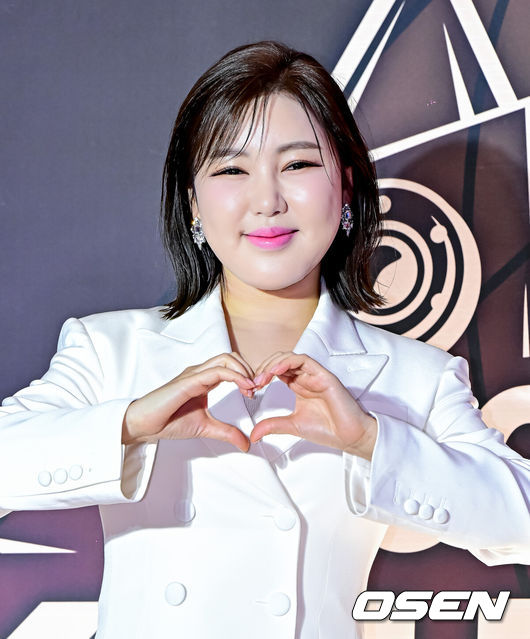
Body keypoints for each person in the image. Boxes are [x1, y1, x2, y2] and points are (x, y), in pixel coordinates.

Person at [0, 40, 528, 639]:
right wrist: (130, 425)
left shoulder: (415, 377)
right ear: (193, 203)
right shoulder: (110, 350)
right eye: (232, 170)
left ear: (346, 186)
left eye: (297, 165)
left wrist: (372, 440)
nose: (268, 200)